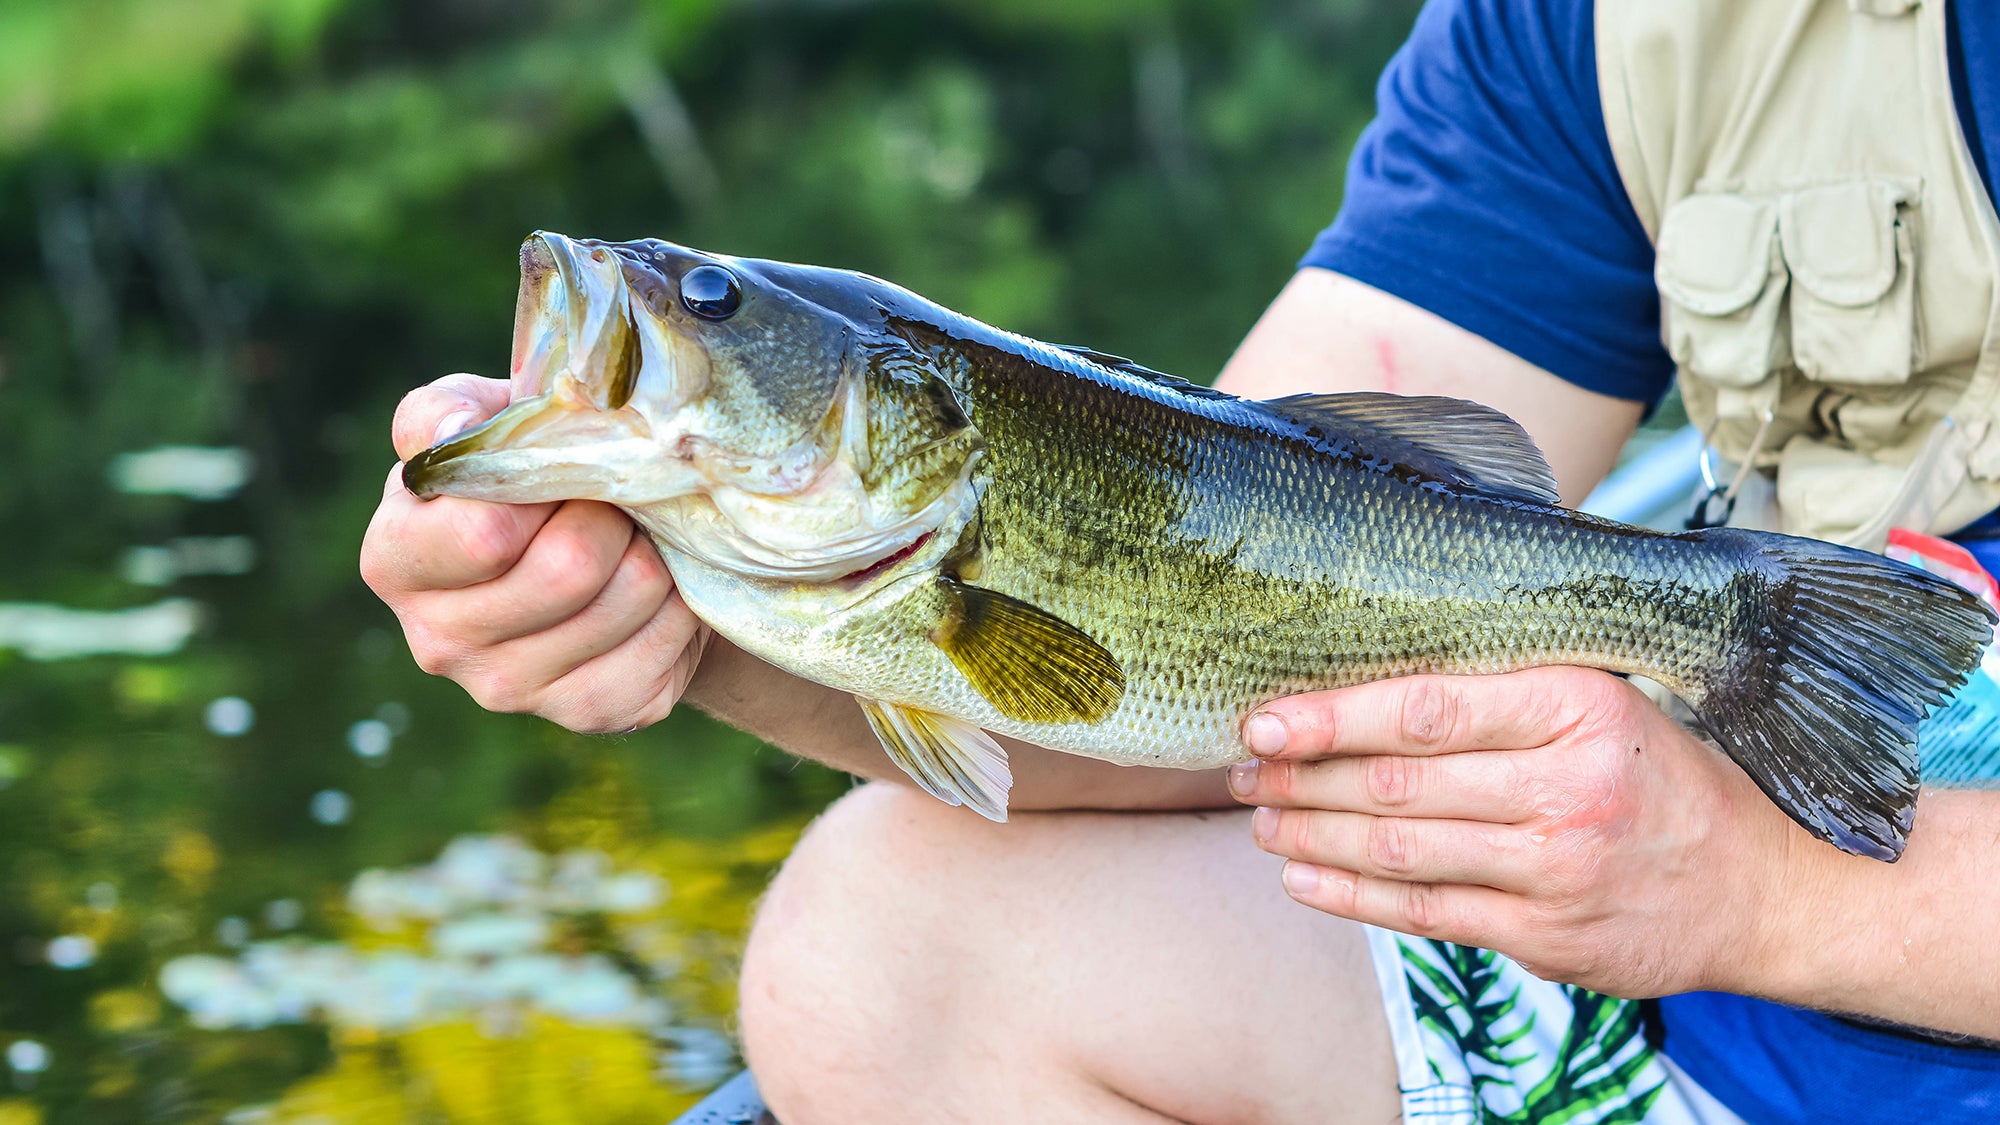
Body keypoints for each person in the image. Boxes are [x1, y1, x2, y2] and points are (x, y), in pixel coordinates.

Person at [361, 0, 2000, 1120]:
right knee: (885, 936)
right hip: (1705, 1024)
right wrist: (684, 617)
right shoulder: (1584, 32)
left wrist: (1761, 894)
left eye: (711, 307)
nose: (680, 318)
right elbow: (1195, 662)